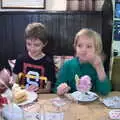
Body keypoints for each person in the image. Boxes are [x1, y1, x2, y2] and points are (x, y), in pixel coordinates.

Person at [54, 28, 111, 96]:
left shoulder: (97, 66)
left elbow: (105, 92)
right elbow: (56, 89)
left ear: (96, 50)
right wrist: (60, 90)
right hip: (73, 103)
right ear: (75, 47)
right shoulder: (68, 65)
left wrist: (99, 68)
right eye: (80, 46)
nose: (83, 50)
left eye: (89, 46)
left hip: (92, 104)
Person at [13, 22, 56, 93]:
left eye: (36, 45)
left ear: (44, 44)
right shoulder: (20, 59)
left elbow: (48, 89)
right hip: (22, 96)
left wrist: (37, 91)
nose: (32, 49)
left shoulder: (48, 62)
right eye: (28, 44)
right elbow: (15, 84)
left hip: (40, 98)